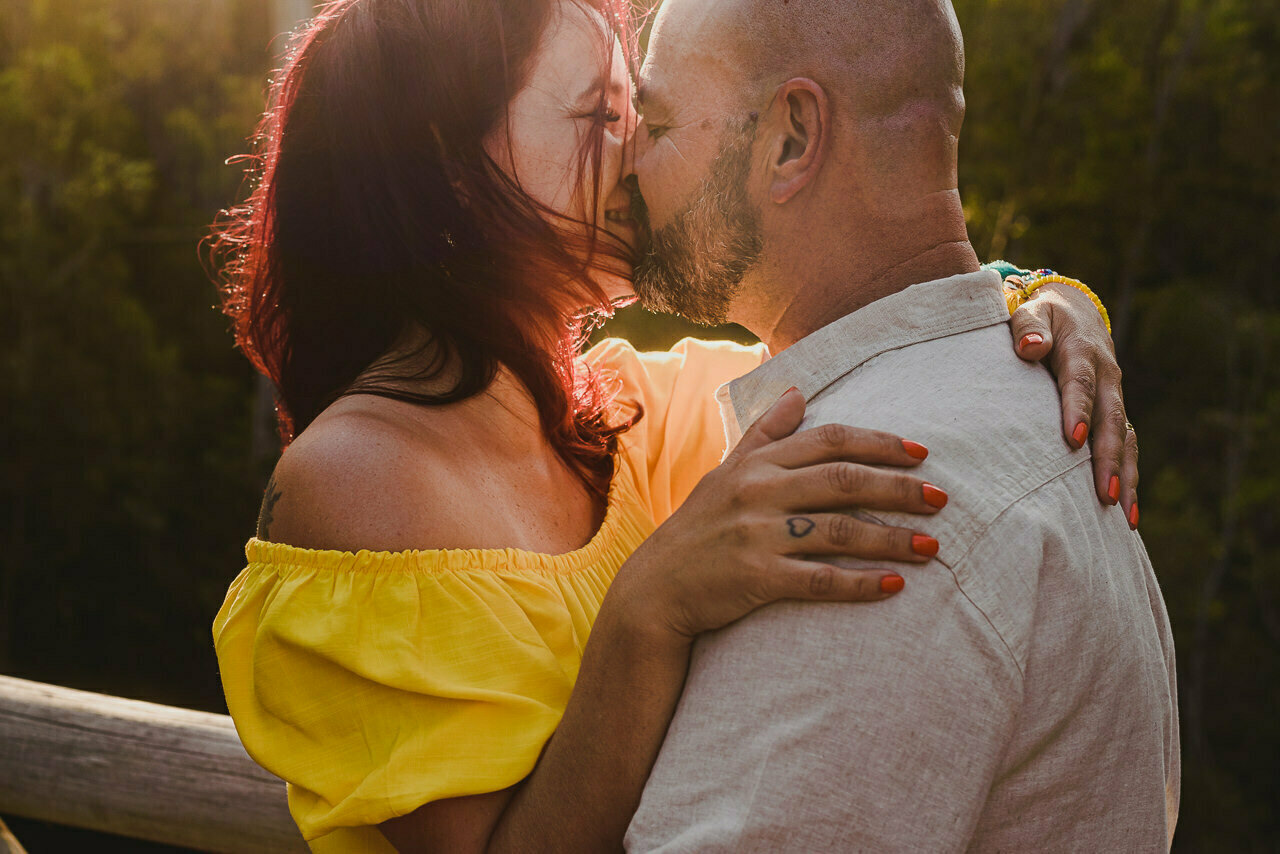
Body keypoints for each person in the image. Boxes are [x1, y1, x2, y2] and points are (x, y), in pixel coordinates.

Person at [210, 0, 1137, 851]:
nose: (637, 160)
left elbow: (873, 336)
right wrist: (645, 612)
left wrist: (1043, 303)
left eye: (641, 120)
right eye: (599, 119)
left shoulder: (640, 407)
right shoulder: (356, 481)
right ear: (444, 167)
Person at [622, 0, 1178, 850]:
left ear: (792, 138)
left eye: (654, 122)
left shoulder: (865, 506)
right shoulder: (1017, 399)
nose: (625, 161)